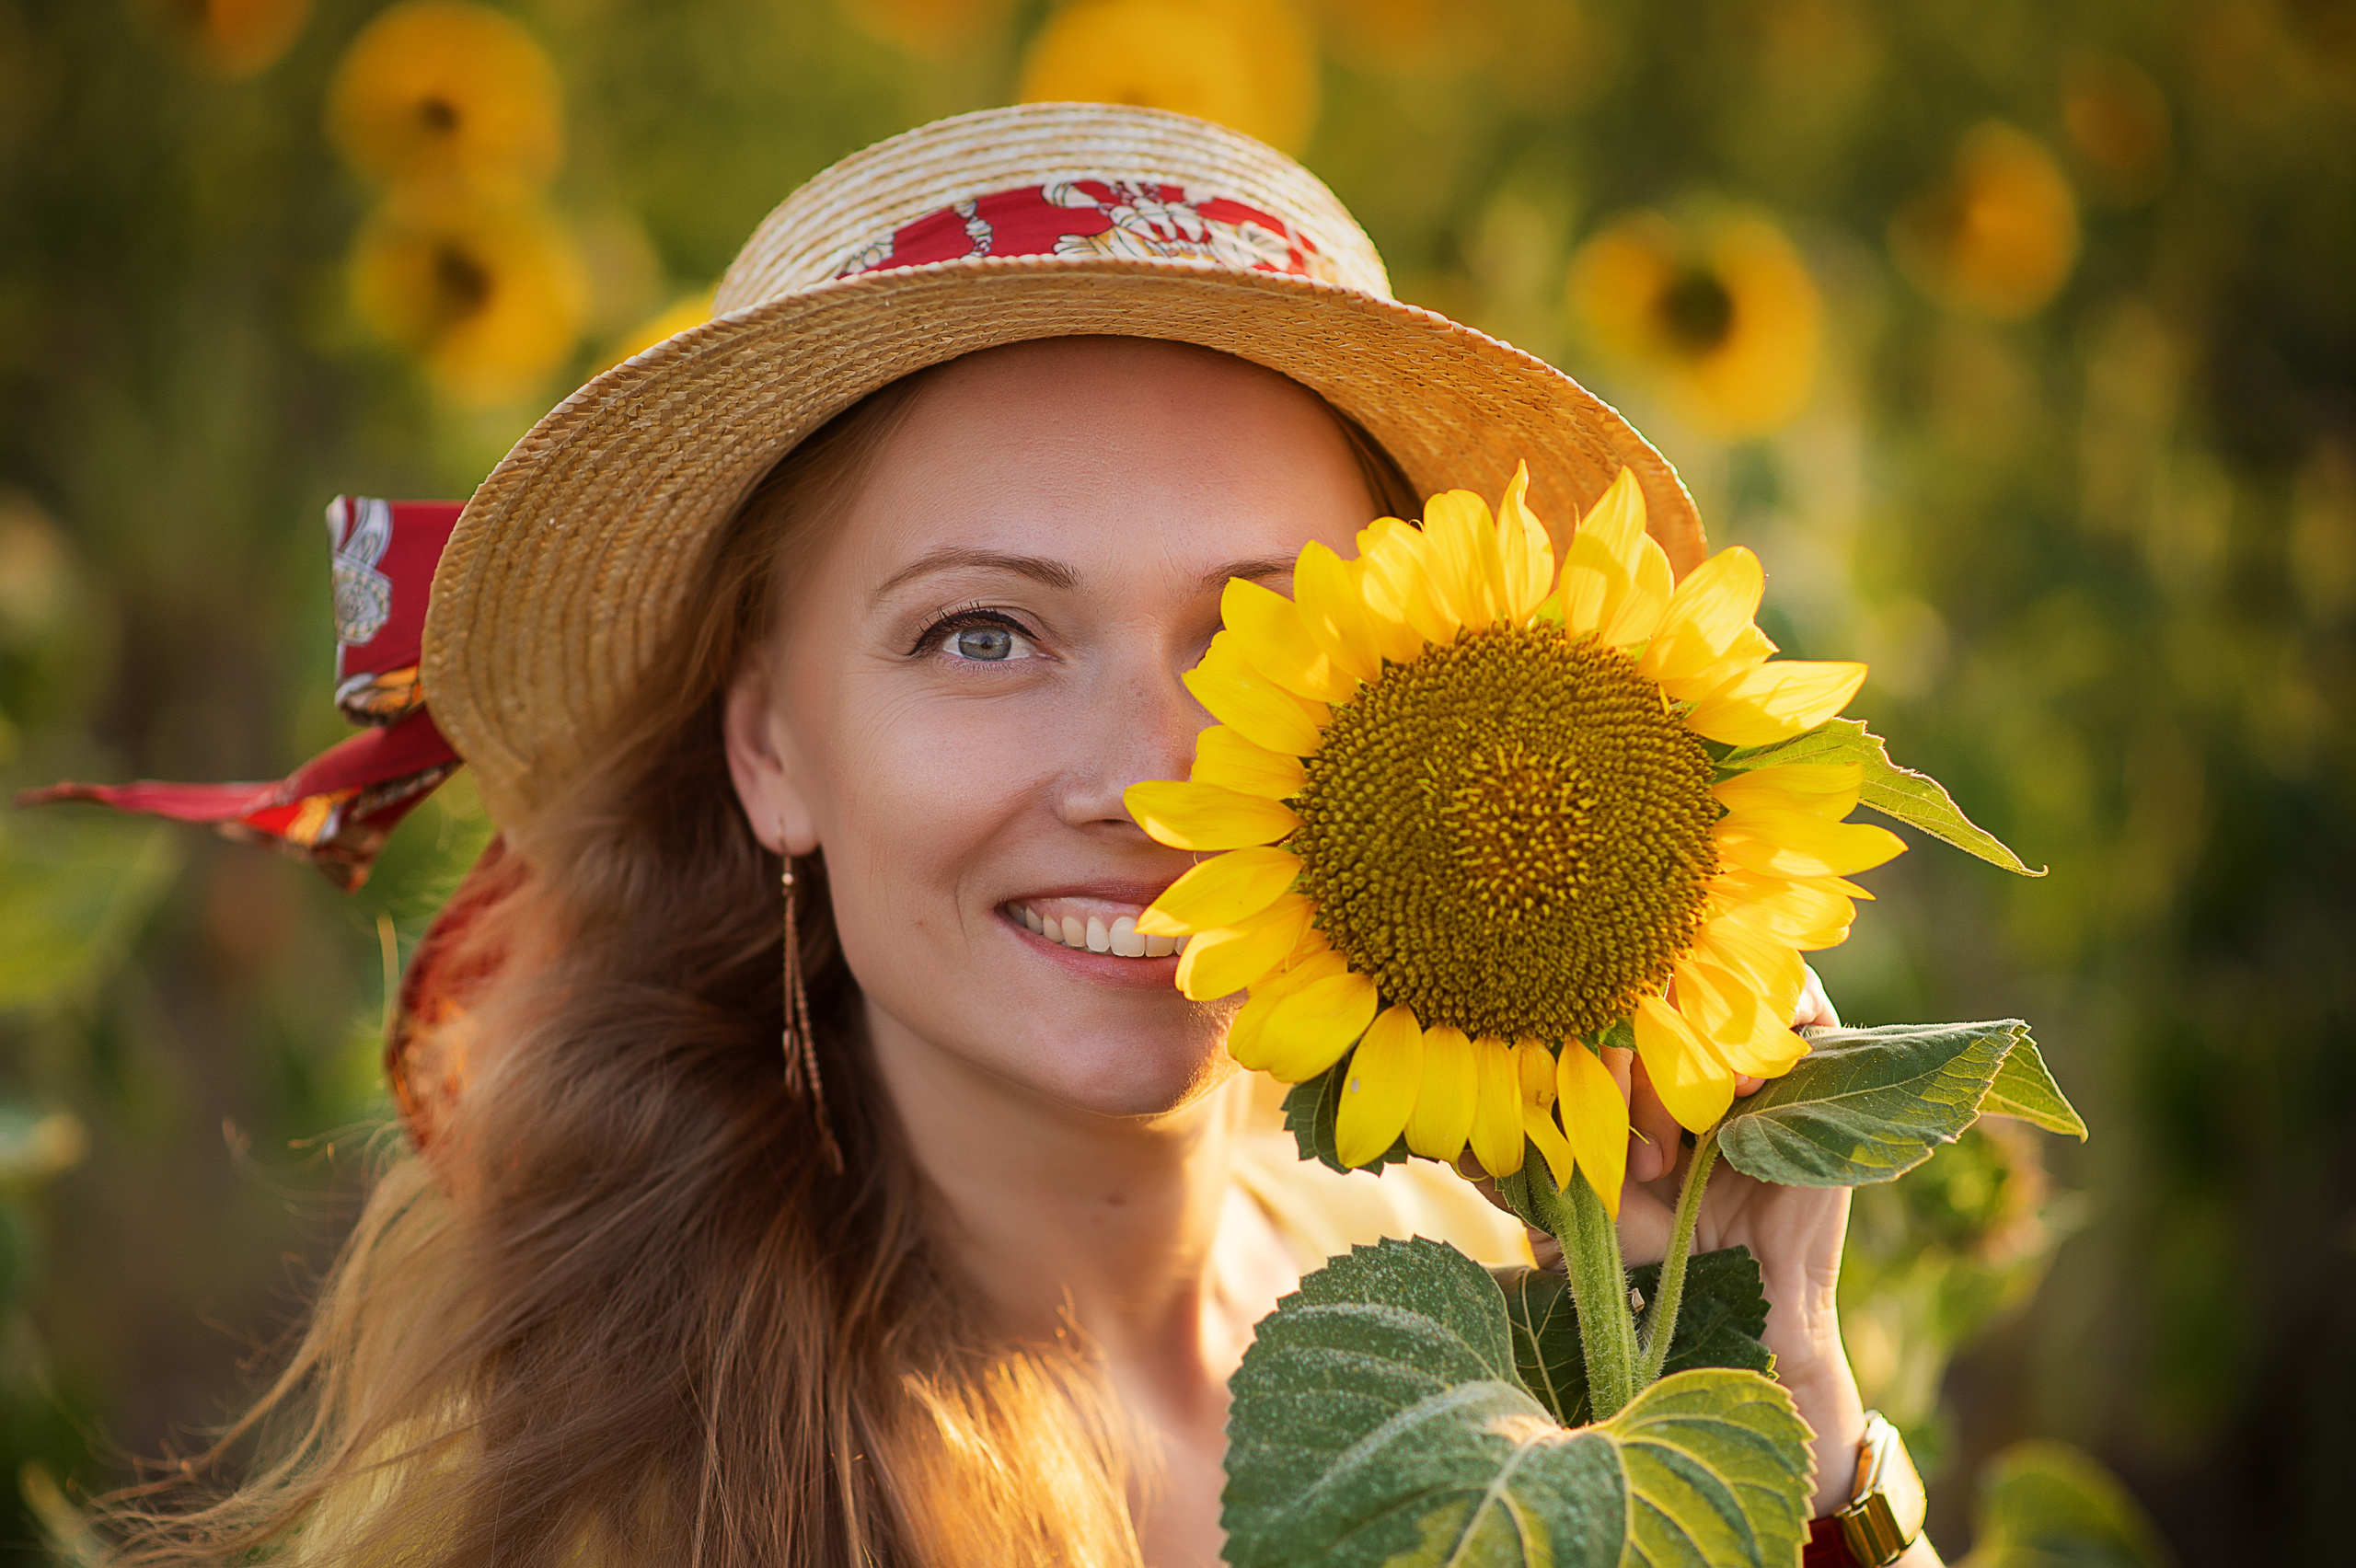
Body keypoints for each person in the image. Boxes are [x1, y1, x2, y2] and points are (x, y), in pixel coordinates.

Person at [109, 103, 1938, 1567]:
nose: (1146, 780)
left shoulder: (1484, 1329)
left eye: (1252, 635)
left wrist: (1769, 1411)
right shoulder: (619, 1496)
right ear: (769, 748)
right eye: (980, 633)